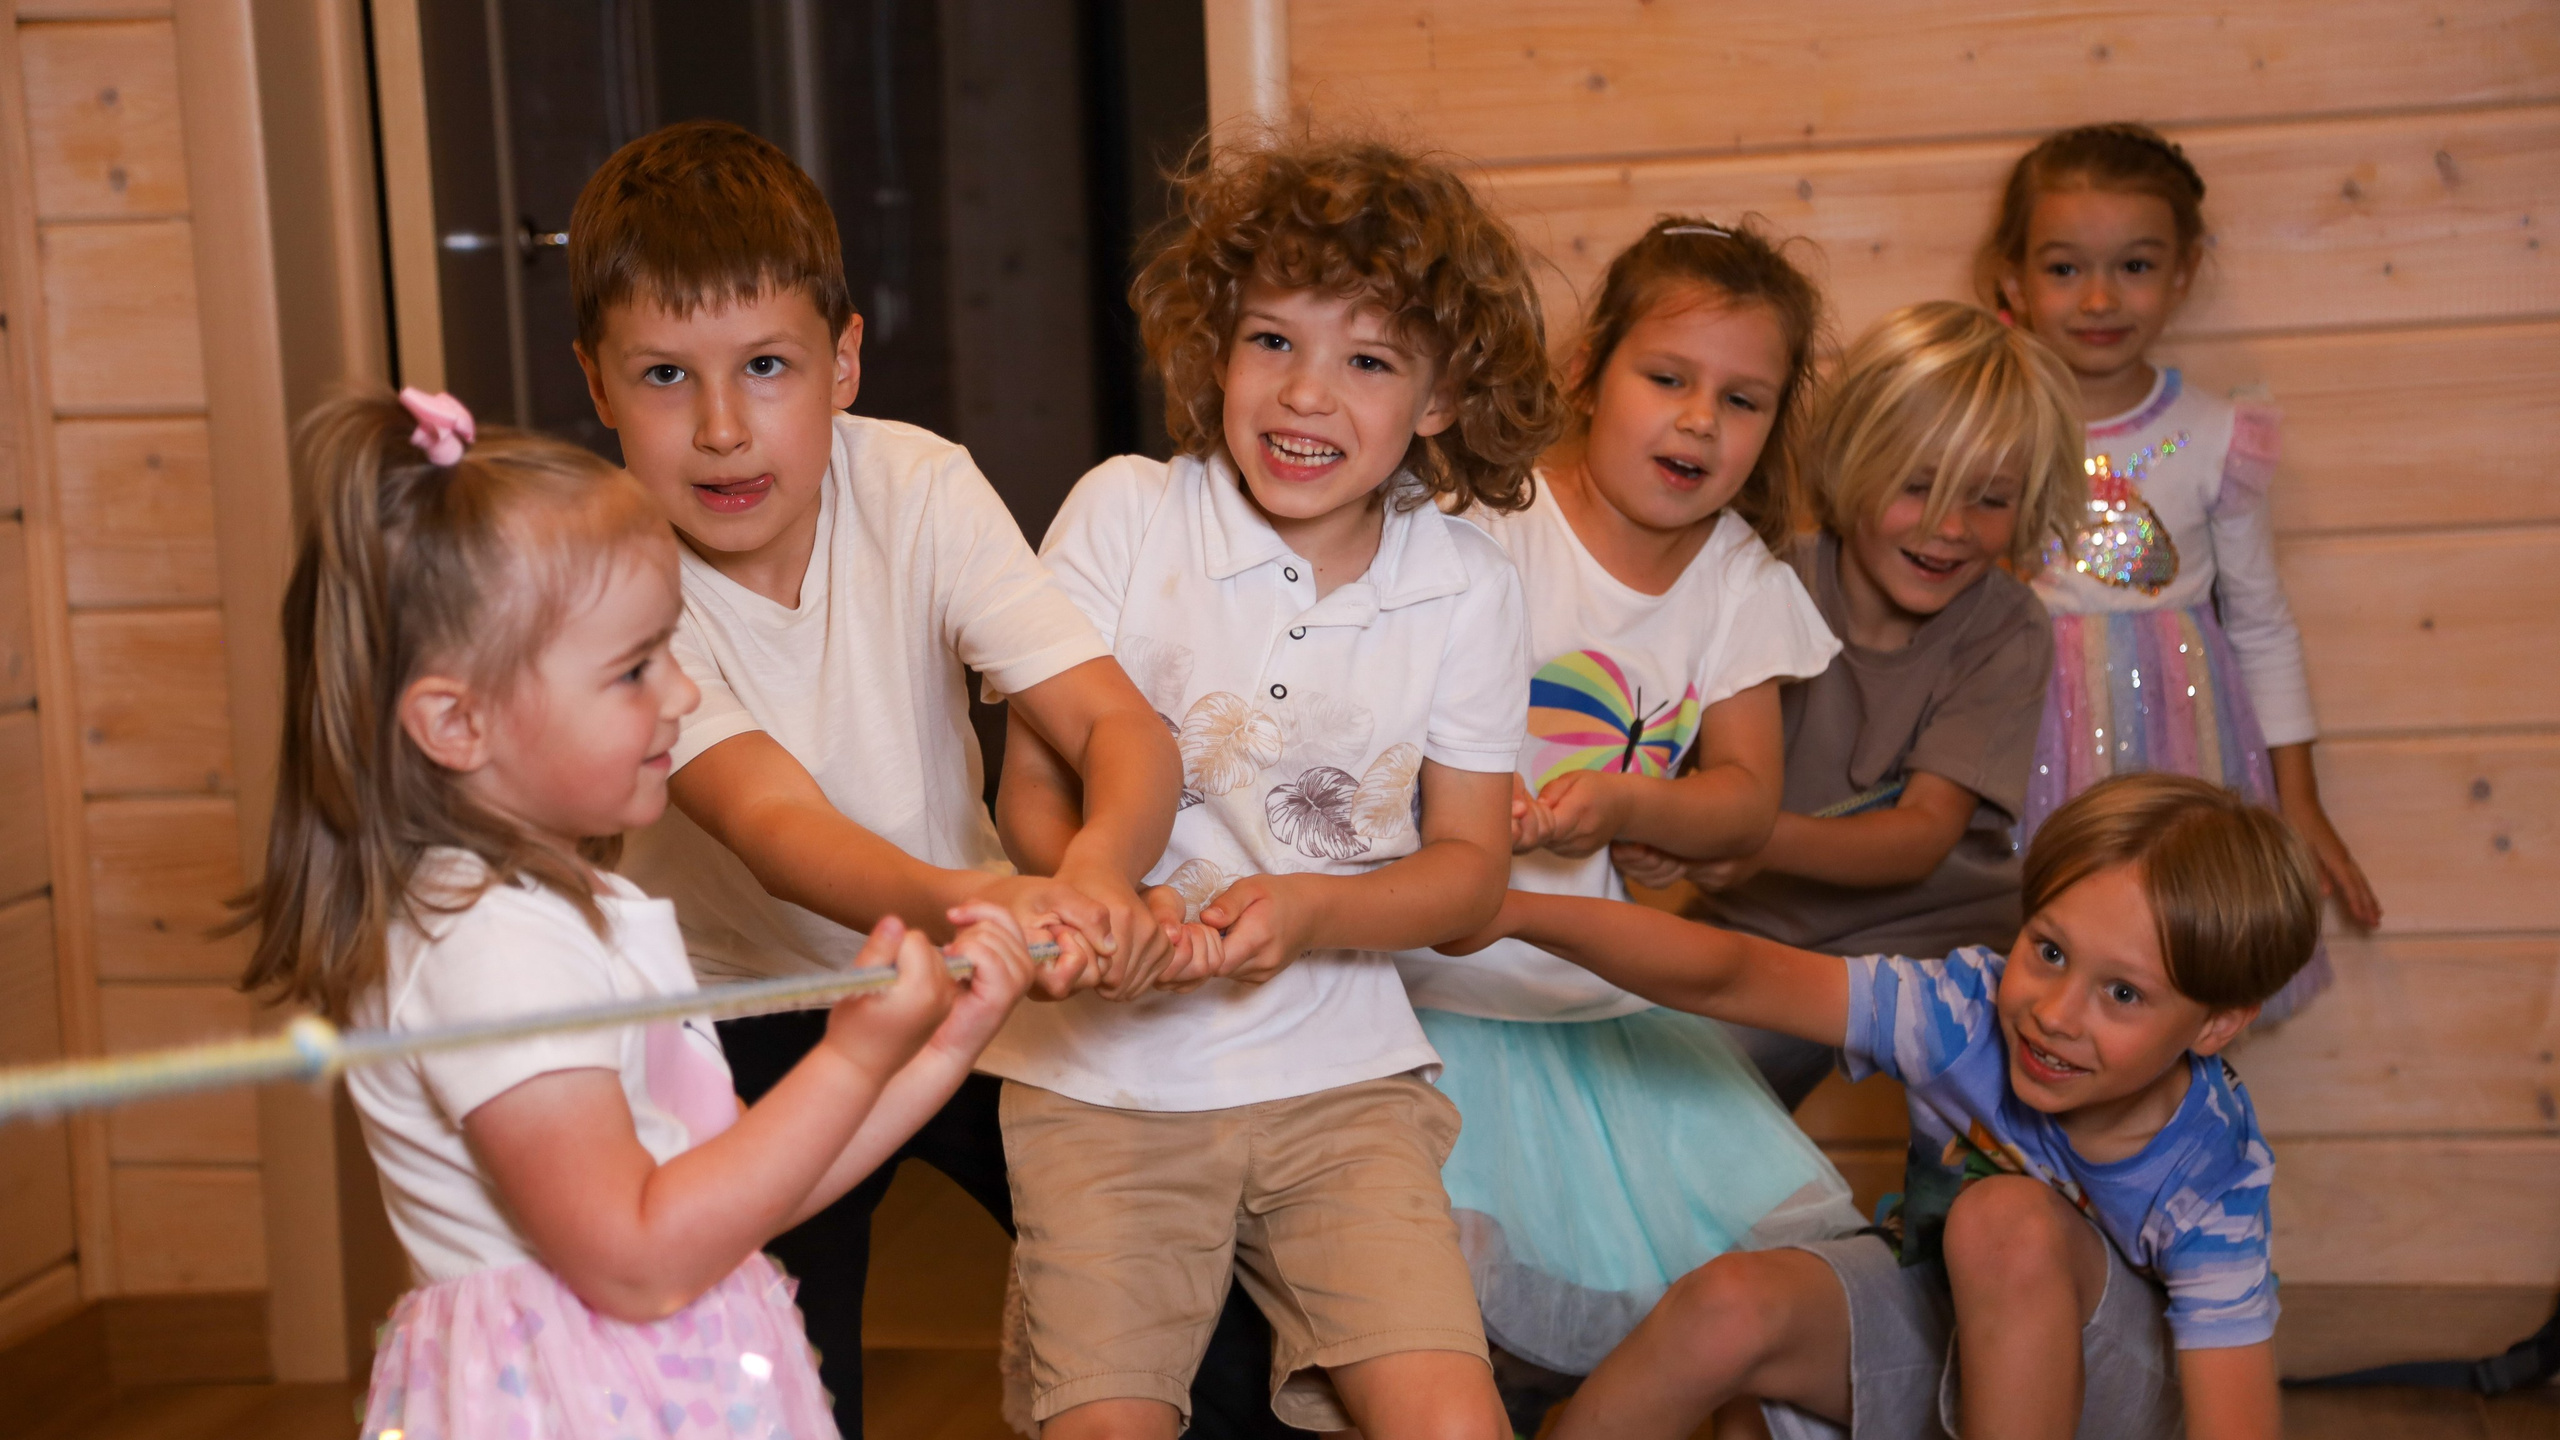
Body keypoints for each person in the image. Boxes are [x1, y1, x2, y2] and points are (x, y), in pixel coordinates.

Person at [235, 388, 1049, 1440]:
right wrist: (850, 1059)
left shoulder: (569, 911)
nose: (678, 695)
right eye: (632, 670)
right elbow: (637, 1259)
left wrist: (941, 1046)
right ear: (455, 721)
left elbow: (730, 1205)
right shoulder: (488, 947)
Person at [568, 121, 1200, 1434]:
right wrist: (985, 897)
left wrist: (1090, 875)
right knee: (786, 1386)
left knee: (1168, 1291)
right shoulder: (611, 574)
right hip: (740, 1016)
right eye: (668, 376)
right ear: (596, 385)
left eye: (767, 367)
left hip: (966, 984)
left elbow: (1122, 732)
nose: (726, 426)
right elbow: (771, 820)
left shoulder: (919, 484)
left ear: (844, 359)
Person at [980, 134, 1561, 1439]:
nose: (1307, 396)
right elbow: (1029, 791)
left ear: (1441, 395)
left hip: (1345, 1085)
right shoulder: (1126, 513)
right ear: (1215, 346)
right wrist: (1093, 898)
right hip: (1103, 1090)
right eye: (1272, 343)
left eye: (1366, 360)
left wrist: (1308, 912)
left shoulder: (1468, 585)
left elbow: (1468, 874)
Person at [1451, 772, 2315, 1440]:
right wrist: (1517, 910)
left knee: (2003, 1218)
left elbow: (2232, 1425)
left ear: (2216, 1024)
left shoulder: (2210, 1172)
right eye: (2048, 950)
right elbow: (1733, 973)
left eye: (2123, 994)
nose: (2056, 1013)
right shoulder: (1961, 1010)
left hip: (2117, 1407)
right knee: (1727, 1305)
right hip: (1947, 1335)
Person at [1386, 217, 1861, 1425]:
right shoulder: (1487, 518)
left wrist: (1636, 803)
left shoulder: (1738, 581)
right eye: (1668, 379)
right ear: (1590, 370)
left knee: (1704, 1297)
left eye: (1741, 400)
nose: (1700, 420)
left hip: (1587, 1006)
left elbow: (1746, 799)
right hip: (1431, 1002)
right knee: (1425, 1308)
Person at [1617, 300, 2082, 1108]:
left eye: (1990, 498)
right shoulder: (1759, 580)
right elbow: (1671, 770)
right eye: (1917, 486)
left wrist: (1745, 837)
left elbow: (1918, 839)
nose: (1949, 528)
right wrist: (1665, 830)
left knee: (2010, 1138)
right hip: (1758, 929)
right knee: (1644, 1092)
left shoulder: (2008, 627)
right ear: (1853, 460)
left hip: (1944, 944)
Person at [1979, 121, 2379, 1019]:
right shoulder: (1994, 428)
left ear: (2184, 272)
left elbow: (2263, 620)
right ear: (2012, 277)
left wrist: (2296, 800)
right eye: (2063, 267)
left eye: (2135, 265)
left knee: (2168, 962)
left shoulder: (2217, 434)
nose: (2098, 299)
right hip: (2024, 732)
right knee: (2034, 958)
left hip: (2185, 743)